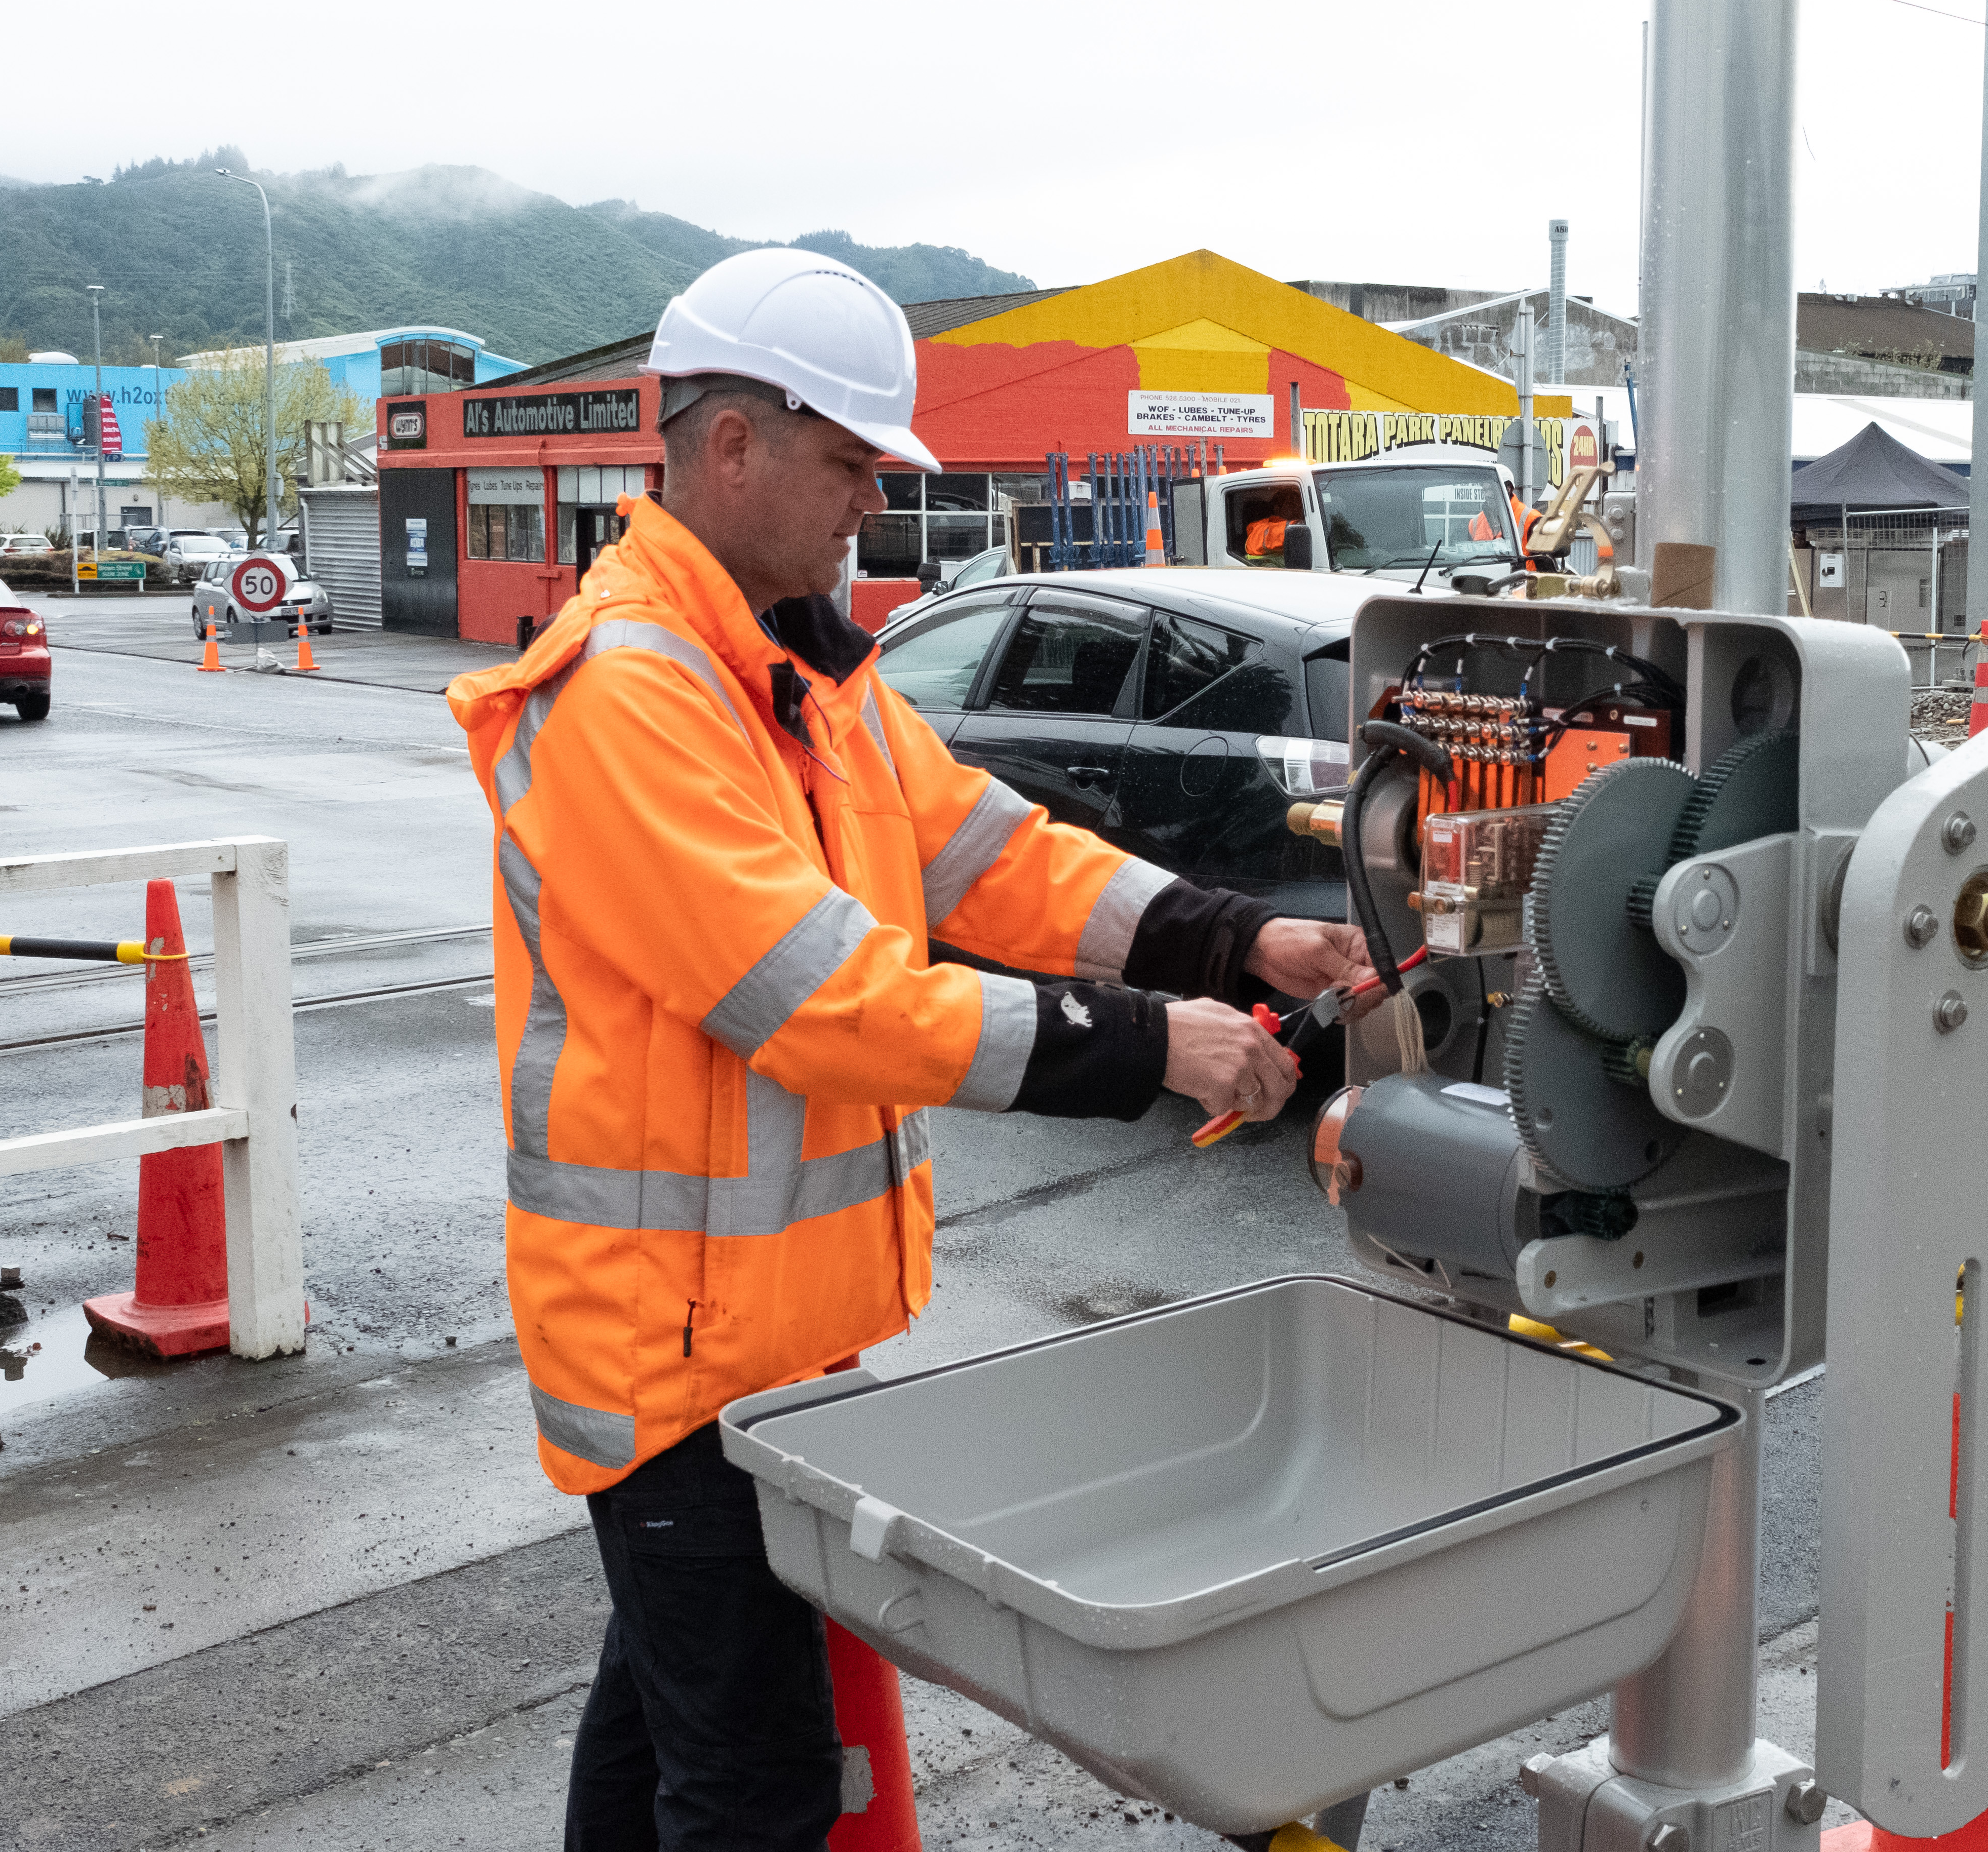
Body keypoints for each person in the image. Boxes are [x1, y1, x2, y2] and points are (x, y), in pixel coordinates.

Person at [448, 248, 1371, 1850]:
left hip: (761, 1338)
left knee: (666, 1727)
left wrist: (1239, 936)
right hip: (669, 1354)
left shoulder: (802, 677)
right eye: (852, 464)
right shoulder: (629, 697)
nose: (872, 504)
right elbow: (832, 1003)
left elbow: (995, 856)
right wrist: (1167, 1046)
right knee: (756, 1786)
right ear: (731, 446)